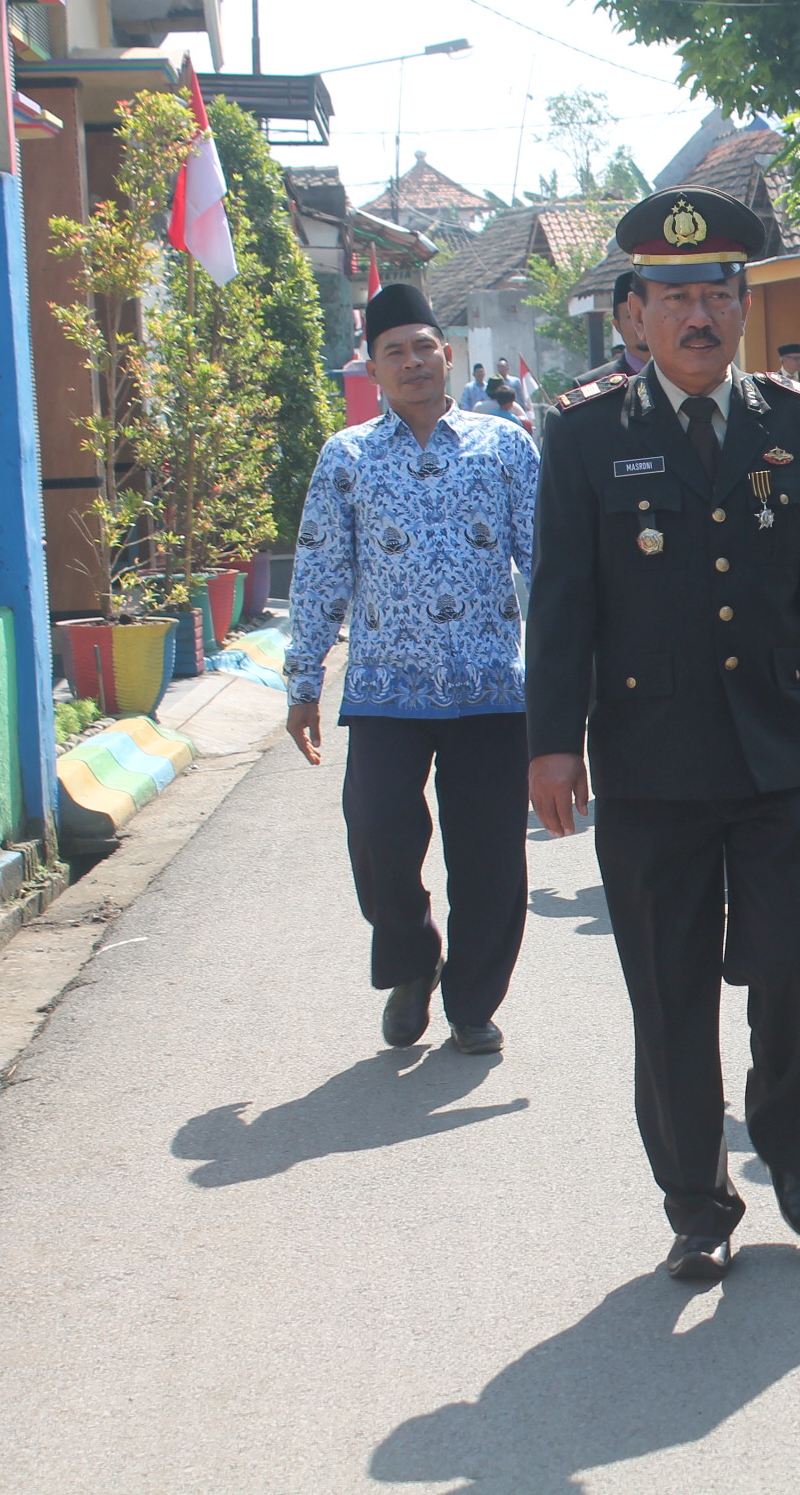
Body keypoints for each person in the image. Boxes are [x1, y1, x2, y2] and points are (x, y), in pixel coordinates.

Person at [527, 187, 800, 1285]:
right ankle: (695, 1199)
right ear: (635, 314)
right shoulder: (587, 436)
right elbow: (563, 600)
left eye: (715, 294)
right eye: (673, 296)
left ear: (741, 306)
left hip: (782, 750)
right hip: (651, 762)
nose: (697, 315)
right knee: (670, 993)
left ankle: (792, 1145)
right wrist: (552, 743)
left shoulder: (799, 423)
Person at [284, 282, 539, 1056]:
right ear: (374, 367)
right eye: (394, 351)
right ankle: (411, 961)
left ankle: (473, 1004)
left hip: (492, 689)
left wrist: (571, 676)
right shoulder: (348, 457)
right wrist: (301, 681)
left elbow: (547, 564)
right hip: (388, 691)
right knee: (378, 839)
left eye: (424, 346)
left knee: (491, 855)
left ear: (448, 354)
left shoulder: (505, 447)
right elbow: (320, 570)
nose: (412, 362)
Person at [577, 270, 650, 387]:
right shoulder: (592, 384)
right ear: (617, 326)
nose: (640, 322)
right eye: (631, 316)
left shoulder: (687, 375)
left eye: (647, 314)